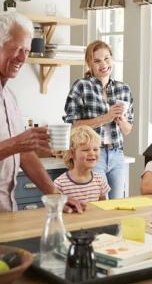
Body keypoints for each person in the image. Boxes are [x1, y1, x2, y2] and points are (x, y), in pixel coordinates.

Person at [0, 13, 84, 214]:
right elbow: (17, 146)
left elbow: (25, 154)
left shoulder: (9, 96)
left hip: (6, 212)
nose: (22, 58)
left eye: (27, 50)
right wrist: (15, 144)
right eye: (17, 49)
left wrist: (56, 195)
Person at [63, 40, 134, 199]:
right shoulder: (81, 86)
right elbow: (72, 125)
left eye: (107, 58)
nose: (103, 64)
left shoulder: (123, 89)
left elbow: (128, 130)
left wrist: (120, 119)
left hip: (117, 155)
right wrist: (105, 118)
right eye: (97, 61)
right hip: (93, 154)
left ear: (112, 59)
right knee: (99, 204)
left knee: (117, 206)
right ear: (89, 64)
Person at [54, 126, 110, 202]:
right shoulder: (60, 184)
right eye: (86, 150)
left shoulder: (100, 180)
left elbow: (103, 208)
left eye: (95, 149)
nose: (92, 153)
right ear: (71, 153)